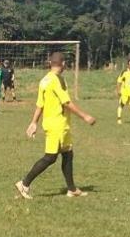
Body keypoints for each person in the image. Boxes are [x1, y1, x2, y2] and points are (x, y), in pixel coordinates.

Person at [15, 52, 96, 200]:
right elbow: (66, 102)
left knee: (68, 154)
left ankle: (71, 189)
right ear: (63, 63)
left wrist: (34, 122)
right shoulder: (55, 80)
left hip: (58, 124)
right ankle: (24, 183)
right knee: (50, 157)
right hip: (57, 124)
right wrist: (85, 116)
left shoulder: (44, 80)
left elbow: (40, 104)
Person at [116, 59, 130, 124]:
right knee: (122, 105)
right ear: (128, 65)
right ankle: (119, 119)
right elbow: (118, 81)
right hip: (124, 92)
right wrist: (118, 90)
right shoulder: (124, 72)